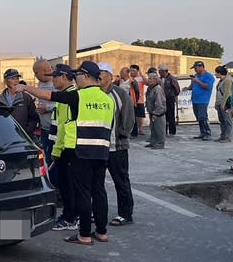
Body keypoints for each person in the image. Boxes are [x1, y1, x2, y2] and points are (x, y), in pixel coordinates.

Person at [16, 61, 114, 245]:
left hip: (81, 152)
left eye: (77, 75)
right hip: (102, 152)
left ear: (85, 76)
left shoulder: (79, 96)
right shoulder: (108, 100)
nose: (75, 78)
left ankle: (84, 235)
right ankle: (102, 232)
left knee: (83, 194)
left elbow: (47, 95)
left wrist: (25, 87)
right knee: (99, 191)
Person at [99, 62, 135, 226]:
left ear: (110, 76)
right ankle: (98, 212)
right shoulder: (94, 94)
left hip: (117, 146)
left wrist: (122, 134)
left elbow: (128, 118)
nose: (99, 76)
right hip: (98, 146)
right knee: (97, 182)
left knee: (121, 180)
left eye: (102, 73)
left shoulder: (119, 94)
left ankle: (125, 214)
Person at [47, 64, 77, 230]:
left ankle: (70, 218)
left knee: (68, 186)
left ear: (64, 77)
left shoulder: (68, 97)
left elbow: (64, 128)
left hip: (67, 149)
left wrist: (56, 151)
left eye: (55, 76)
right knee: (67, 185)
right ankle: (71, 215)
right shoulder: (65, 96)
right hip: (64, 147)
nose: (53, 79)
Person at [32, 59, 57, 184]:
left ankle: (60, 190)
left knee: (56, 161)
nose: (35, 76)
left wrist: (47, 108)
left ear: (45, 71)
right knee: (48, 161)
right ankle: (53, 186)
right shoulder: (41, 84)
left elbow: (64, 103)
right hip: (44, 129)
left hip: (56, 131)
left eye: (36, 73)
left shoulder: (57, 83)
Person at [0, 69, 39, 137]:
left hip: (23, 137)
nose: (16, 81)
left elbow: (33, 117)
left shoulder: (26, 98)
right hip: (4, 136)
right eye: (12, 78)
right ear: (5, 81)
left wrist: (27, 132)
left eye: (17, 78)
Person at [185, 61, 215, 140]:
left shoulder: (209, 76)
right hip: (195, 99)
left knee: (203, 117)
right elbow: (192, 86)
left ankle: (207, 133)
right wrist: (187, 88)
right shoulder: (196, 76)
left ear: (201, 67)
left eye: (196, 68)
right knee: (198, 117)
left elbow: (207, 87)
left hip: (203, 100)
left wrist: (197, 81)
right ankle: (202, 132)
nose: (195, 70)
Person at [144, 71, 166, 149]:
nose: (149, 80)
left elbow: (159, 102)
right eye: (148, 78)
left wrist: (156, 113)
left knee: (159, 128)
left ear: (155, 80)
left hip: (158, 113)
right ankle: (153, 142)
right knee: (153, 128)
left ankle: (160, 143)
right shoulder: (150, 88)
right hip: (151, 111)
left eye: (150, 79)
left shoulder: (157, 89)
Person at [158, 64, 180, 135]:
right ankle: (164, 131)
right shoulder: (159, 79)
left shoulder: (172, 78)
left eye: (161, 71)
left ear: (165, 71)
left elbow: (177, 89)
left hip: (170, 98)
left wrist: (173, 95)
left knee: (170, 115)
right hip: (162, 99)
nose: (160, 73)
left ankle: (172, 131)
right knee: (163, 115)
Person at [214, 65, 233, 142]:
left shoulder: (228, 80)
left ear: (219, 73)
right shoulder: (221, 80)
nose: (215, 74)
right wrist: (217, 103)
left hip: (226, 103)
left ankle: (228, 137)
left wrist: (223, 103)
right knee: (222, 120)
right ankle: (223, 135)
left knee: (227, 120)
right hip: (220, 102)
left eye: (216, 73)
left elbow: (227, 92)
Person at [129, 64, 146, 137]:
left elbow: (147, 82)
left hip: (140, 99)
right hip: (132, 100)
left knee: (140, 115)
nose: (132, 72)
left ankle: (140, 129)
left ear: (137, 71)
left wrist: (142, 74)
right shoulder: (129, 78)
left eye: (134, 70)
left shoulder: (140, 78)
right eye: (131, 70)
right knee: (132, 116)